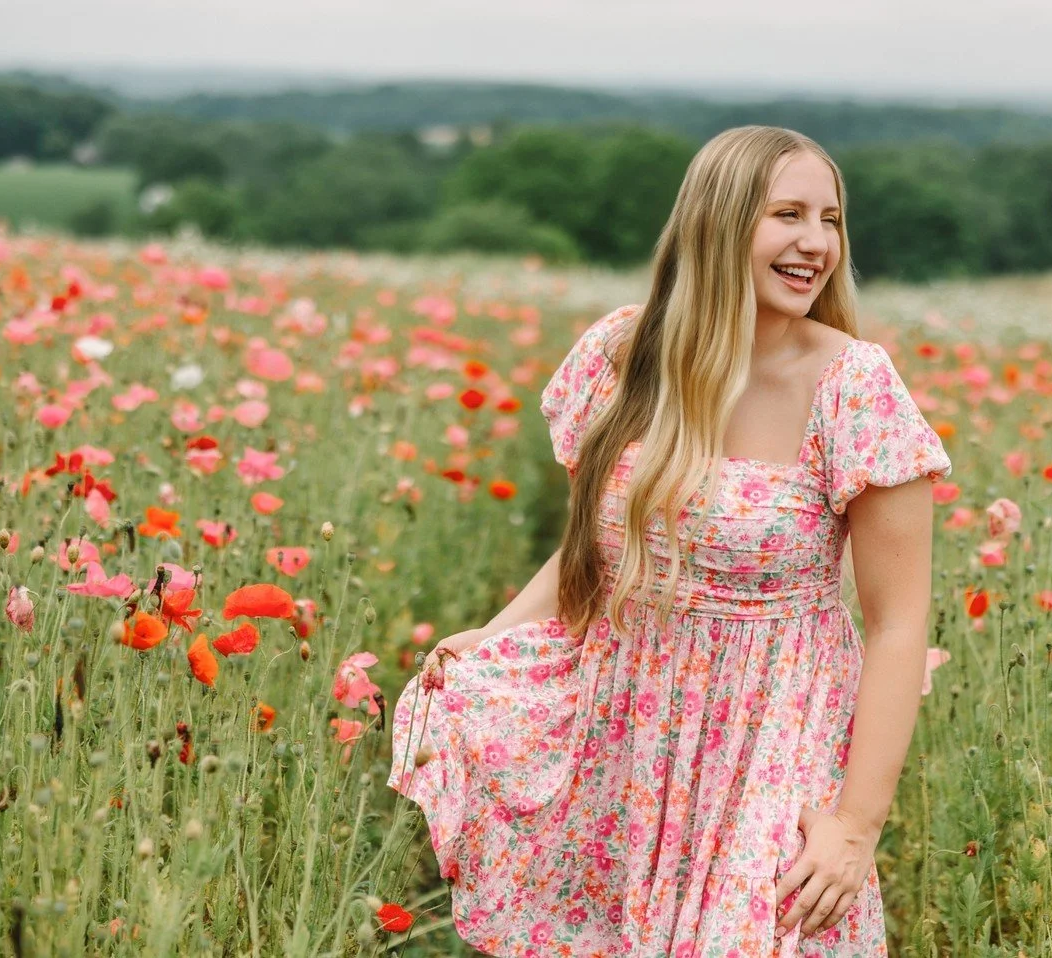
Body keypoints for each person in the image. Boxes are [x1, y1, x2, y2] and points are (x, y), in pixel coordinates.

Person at [388, 125, 953, 957]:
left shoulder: (852, 386)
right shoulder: (625, 355)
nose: (815, 243)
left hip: (776, 734)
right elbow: (595, 549)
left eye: (829, 219)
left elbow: (900, 623)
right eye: (787, 214)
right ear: (716, 224)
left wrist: (852, 827)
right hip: (627, 736)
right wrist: (495, 637)